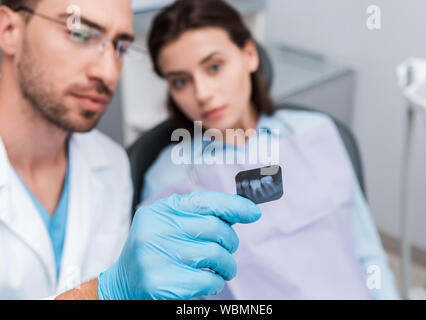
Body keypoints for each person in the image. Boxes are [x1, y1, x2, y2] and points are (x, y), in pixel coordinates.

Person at [0, 0, 261, 300]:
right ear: (9, 30)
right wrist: (104, 292)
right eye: (81, 33)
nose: (109, 73)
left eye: (120, 48)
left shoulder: (112, 164)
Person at [141, 0, 400, 299]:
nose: (202, 93)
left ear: (249, 55)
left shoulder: (317, 132)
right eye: (180, 81)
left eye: (214, 66)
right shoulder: (167, 181)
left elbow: (368, 253)